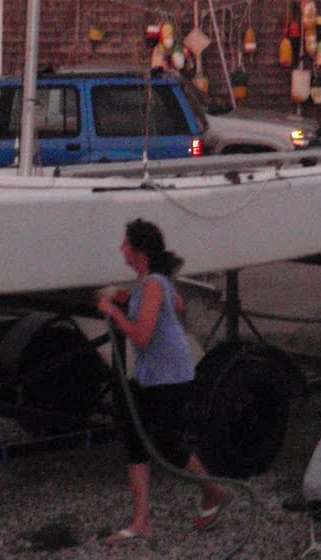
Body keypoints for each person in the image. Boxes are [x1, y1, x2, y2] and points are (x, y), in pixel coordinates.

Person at [97, 218, 229, 543]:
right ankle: (141, 521)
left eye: (125, 244)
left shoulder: (154, 283)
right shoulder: (150, 281)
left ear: (139, 251)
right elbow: (179, 305)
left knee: (168, 445)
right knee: (134, 439)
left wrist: (113, 312)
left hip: (170, 375)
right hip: (152, 374)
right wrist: (130, 301)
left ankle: (215, 492)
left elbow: (141, 336)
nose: (121, 249)